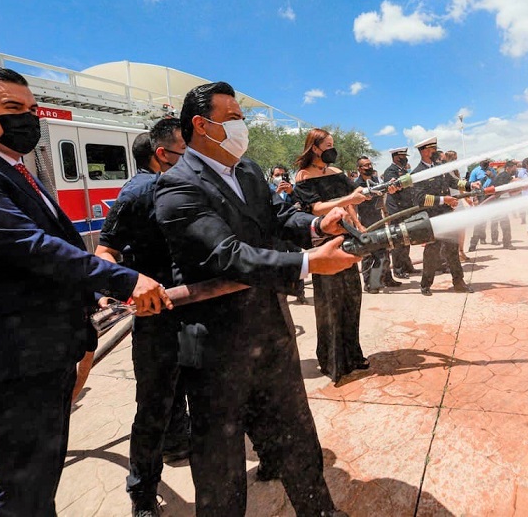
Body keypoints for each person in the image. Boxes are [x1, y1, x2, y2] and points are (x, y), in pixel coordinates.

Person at [0, 67, 171, 516]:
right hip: (8, 363)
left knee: (39, 484)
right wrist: (124, 279)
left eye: (32, 109)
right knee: (25, 495)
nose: (29, 119)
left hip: (41, 354)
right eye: (13, 109)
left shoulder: (16, 168)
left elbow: (56, 247)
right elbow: (29, 246)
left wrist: (93, 296)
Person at [154, 82, 355, 517]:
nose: (242, 126)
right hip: (217, 346)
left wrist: (321, 227)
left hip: (270, 330)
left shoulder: (247, 171)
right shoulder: (175, 186)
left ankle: (319, 509)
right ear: (201, 125)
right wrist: (306, 263)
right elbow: (224, 254)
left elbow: (278, 217)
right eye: (233, 118)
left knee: (298, 434)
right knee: (221, 461)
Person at [93, 121, 190, 516]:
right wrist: (129, 285)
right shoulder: (138, 192)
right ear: (161, 152)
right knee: (153, 403)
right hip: (156, 315)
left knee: (188, 384)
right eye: (185, 147)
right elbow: (104, 252)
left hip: (193, 308)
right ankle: (143, 494)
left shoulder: (188, 187)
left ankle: (179, 442)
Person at [293, 129, 370, 381]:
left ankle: (354, 355)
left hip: (348, 239)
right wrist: (347, 198)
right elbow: (316, 208)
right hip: (325, 241)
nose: (332, 149)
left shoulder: (337, 173)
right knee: (330, 302)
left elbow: (350, 203)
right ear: (315, 148)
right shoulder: (303, 176)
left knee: (351, 297)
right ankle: (332, 360)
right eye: (328, 145)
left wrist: (358, 225)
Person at [410, 137, 477, 296]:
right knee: (432, 251)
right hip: (433, 218)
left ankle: (459, 282)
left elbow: (454, 183)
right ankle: (426, 284)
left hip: (448, 215)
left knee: (452, 249)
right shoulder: (417, 173)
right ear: (425, 151)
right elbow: (419, 199)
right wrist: (443, 200)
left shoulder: (440, 167)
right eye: (432, 149)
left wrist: (469, 185)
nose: (436, 152)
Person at [354, 156, 402, 294]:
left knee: (385, 250)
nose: (369, 167)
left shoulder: (374, 181)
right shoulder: (357, 185)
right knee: (368, 254)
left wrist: (386, 215)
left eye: (370, 164)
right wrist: (358, 225)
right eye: (365, 165)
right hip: (366, 223)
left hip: (378, 220)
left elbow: (381, 198)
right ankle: (369, 283)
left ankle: (387, 279)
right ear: (359, 169)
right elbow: (351, 206)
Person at [269, 165, 308, 304]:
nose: (280, 177)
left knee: (299, 262)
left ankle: (300, 293)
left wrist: (291, 193)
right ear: (272, 177)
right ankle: (281, 295)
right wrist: (277, 193)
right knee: (279, 263)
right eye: (277, 175)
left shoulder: (293, 189)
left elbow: (302, 204)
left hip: (292, 234)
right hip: (277, 235)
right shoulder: (268, 191)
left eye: (282, 174)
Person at [383, 146, 417, 278]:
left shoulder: (403, 170)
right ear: (396, 157)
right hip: (397, 210)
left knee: (406, 238)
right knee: (397, 240)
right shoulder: (390, 171)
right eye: (403, 157)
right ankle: (398, 269)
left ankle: (407, 266)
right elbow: (394, 188)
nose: (405, 159)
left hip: (405, 208)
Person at [490, 161, 516, 249]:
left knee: (499, 221)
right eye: (514, 167)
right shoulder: (505, 175)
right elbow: (516, 182)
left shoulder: (503, 175)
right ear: (508, 168)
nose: (515, 169)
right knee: (505, 222)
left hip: (498, 201)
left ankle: (502, 242)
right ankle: (507, 243)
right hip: (498, 202)